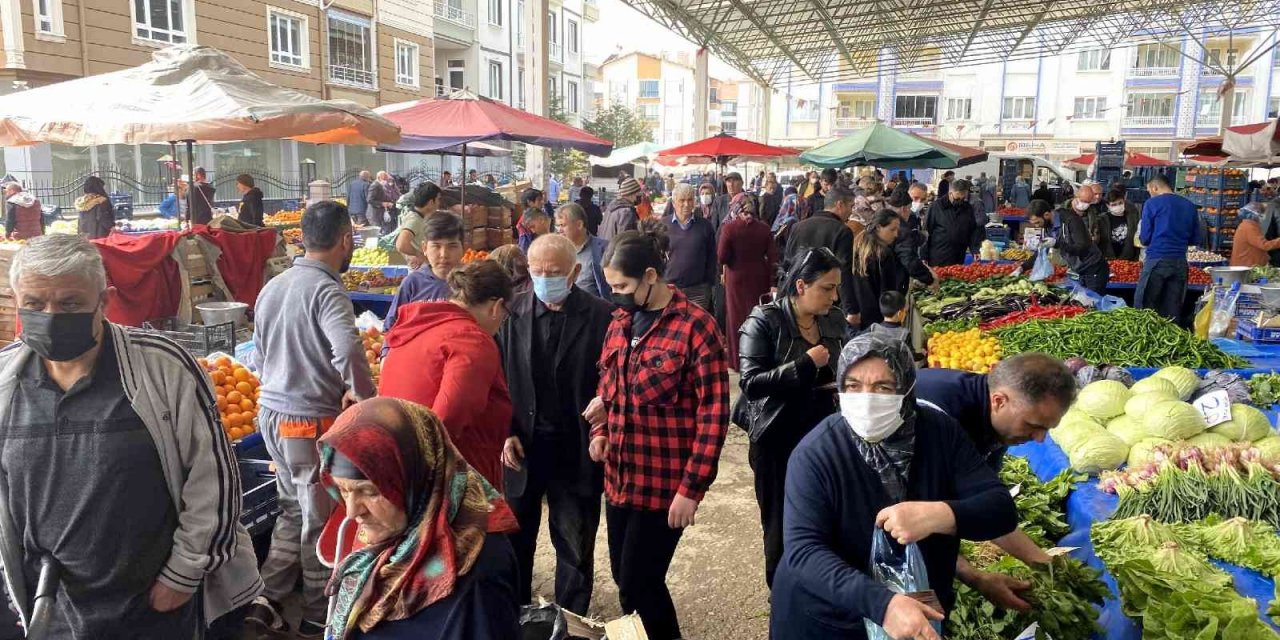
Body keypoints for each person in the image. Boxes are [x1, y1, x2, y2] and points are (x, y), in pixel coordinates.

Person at [0, 234, 261, 638]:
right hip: (50, 609)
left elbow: (214, 478)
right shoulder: (5, 383)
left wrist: (182, 575)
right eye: (35, 304)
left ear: (104, 301)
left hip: (152, 608)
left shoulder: (162, 367)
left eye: (69, 303)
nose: (50, 315)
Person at [769, 333, 1019, 640]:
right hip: (830, 618)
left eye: (882, 388)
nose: (866, 399)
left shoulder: (939, 432)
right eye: (853, 386)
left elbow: (1000, 509)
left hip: (916, 610)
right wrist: (883, 605)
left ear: (906, 389)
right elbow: (804, 552)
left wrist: (941, 515)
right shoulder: (817, 453)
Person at [584, 223, 730, 640]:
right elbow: (609, 386)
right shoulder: (618, 323)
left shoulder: (696, 328)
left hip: (664, 485)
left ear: (651, 276)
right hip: (619, 478)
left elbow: (714, 413)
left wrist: (691, 488)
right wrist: (601, 430)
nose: (616, 294)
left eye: (623, 285)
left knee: (638, 583)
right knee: (623, 577)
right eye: (611, 285)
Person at [249, 200, 376, 639]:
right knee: (318, 516)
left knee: (292, 506)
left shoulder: (276, 284)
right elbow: (348, 348)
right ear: (346, 240)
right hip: (306, 421)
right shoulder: (327, 290)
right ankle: (318, 612)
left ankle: (267, 599)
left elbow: (258, 355)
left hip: (270, 412)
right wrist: (366, 399)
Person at [317, 398, 521, 640]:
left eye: (370, 491)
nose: (351, 511)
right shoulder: (396, 532)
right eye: (344, 490)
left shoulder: (474, 579)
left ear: (416, 478)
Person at [497, 234, 613, 615]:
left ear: (576, 271)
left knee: (575, 546)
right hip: (523, 448)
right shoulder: (510, 314)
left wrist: (604, 414)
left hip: (575, 447)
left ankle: (571, 621)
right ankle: (515, 618)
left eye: (555, 272)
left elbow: (612, 379)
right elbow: (494, 382)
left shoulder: (601, 316)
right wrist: (505, 432)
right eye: (538, 271)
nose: (545, 278)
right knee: (515, 544)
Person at [914, 353, 1077, 611]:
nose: (1039, 439)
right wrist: (974, 576)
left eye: (1047, 428)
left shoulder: (997, 424)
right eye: (1033, 425)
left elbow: (982, 504)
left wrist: (1043, 564)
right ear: (999, 401)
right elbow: (917, 522)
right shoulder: (937, 419)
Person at [735, 247, 846, 587]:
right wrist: (803, 365)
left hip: (821, 437)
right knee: (780, 526)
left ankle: (815, 586)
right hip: (776, 441)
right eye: (826, 288)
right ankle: (783, 593)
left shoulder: (832, 319)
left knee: (822, 518)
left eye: (836, 287)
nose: (834, 295)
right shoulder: (764, 320)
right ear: (801, 285)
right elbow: (751, 383)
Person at [379, 260, 513, 487]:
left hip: (400, 458)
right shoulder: (472, 340)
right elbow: (449, 416)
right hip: (448, 476)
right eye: (505, 315)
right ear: (496, 306)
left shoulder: (417, 327)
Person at [784, 185, 858, 328]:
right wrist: (851, 309)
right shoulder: (842, 231)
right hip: (826, 303)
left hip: (797, 298)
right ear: (839, 205)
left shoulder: (798, 226)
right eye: (851, 206)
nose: (851, 211)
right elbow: (844, 272)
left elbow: (787, 263)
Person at [719, 193, 778, 365]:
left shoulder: (729, 228)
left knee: (735, 318)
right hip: (759, 277)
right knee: (756, 319)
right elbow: (774, 257)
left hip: (735, 277)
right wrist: (772, 282)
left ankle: (737, 361)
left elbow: (722, 256)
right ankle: (755, 358)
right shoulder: (764, 228)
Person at [383, 212, 466, 334]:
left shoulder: (471, 284)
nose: (444, 254)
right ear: (424, 248)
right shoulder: (412, 283)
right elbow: (391, 327)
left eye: (452, 246)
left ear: (463, 248)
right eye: (436, 246)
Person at [1137, 176, 1202, 321]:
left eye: (1149, 190)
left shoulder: (1152, 204)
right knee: (1172, 310)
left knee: (1145, 309)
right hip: (1180, 263)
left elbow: (1145, 238)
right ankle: (1170, 341)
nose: (1149, 194)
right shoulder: (1190, 205)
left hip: (1157, 261)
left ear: (1155, 188)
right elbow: (1195, 239)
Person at [666, 183, 718, 310]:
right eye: (682, 200)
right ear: (673, 203)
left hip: (698, 290)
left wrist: (708, 284)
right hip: (670, 290)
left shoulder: (705, 226)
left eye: (690, 200)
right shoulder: (663, 226)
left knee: (697, 327)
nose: (686, 204)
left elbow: (712, 257)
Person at [848, 210, 904, 330]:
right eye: (892, 229)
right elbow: (888, 291)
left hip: (858, 314)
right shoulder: (883, 254)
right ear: (879, 227)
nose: (896, 235)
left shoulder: (858, 246)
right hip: (877, 318)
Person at [1055, 184, 1109, 294]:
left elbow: (1095, 232)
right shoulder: (1063, 212)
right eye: (1082, 200)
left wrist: (1093, 238)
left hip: (1086, 260)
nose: (1084, 205)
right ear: (1076, 196)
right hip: (1070, 259)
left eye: (1088, 202)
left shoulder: (1091, 213)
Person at [922, 178, 982, 267]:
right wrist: (923, 255)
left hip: (959, 256)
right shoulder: (936, 207)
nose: (961, 199)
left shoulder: (967, 208)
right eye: (957, 197)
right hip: (938, 256)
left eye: (963, 197)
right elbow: (926, 231)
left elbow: (973, 230)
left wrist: (975, 249)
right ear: (950, 192)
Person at [887, 186, 935, 292]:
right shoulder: (901, 228)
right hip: (894, 280)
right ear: (904, 209)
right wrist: (929, 279)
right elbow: (908, 260)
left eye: (922, 199)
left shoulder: (881, 219)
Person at [556, 203, 610, 298]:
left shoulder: (603, 249)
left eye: (562, 225)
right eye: (558, 226)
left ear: (579, 225)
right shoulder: (558, 251)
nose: (559, 230)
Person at [393, 182, 442, 270]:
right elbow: (401, 244)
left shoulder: (421, 216)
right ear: (431, 202)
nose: (439, 203)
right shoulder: (414, 219)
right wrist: (418, 254)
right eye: (438, 199)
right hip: (420, 269)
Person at [1099, 186, 1140, 260]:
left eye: (1120, 203)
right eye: (1114, 204)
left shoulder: (1133, 217)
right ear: (1108, 206)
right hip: (1108, 258)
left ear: (1124, 201)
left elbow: (1137, 239)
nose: (1118, 206)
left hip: (1128, 258)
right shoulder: (1101, 219)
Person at [518, 188, 550, 252]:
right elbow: (524, 248)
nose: (542, 202)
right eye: (539, 200)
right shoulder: (524, 222)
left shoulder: (540, 214)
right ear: (529, 202)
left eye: (542, 200)